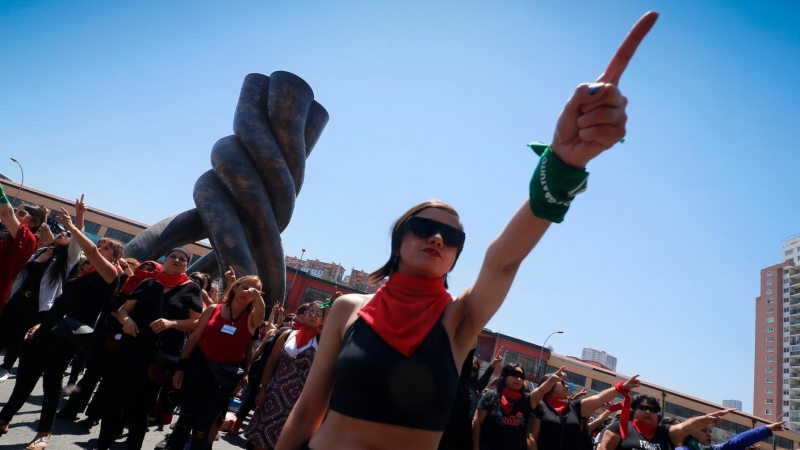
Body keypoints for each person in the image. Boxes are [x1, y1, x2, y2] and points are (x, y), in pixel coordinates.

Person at [275, 11, 657, 450]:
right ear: (399, 240)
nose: (437, 238)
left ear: (456, 255)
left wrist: (564, 165)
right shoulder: (347, 309)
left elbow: (505, 259)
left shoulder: (460, 318)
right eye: (424, 227)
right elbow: (308, 410)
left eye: (452, 237)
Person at [0, 207, 122, 450]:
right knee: (25, 377)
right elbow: (60, 301)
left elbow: (87, 248)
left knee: (52, 382)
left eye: (107, 247)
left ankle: (43, 433)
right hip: (48, 325)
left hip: (68, 334)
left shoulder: (110, 275)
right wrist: (40, 324)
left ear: (116, 257)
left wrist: (75, 225)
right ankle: (3, 419)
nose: (101, 248)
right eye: (102, 244)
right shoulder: (80, 270)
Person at [95, 247, 203, 450]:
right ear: (166, 259)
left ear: (186, 265)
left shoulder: (191, 289)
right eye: (173, 257)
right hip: (129, 350)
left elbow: (197, 321)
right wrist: (126, 321)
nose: (177, 260)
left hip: (156, 359)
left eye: (182, 259)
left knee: (139, 408)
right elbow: (124, 309)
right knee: (113, 402)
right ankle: (102, 445)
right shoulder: (149, 282)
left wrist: (172, 324)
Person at [164, 274, 265, 450]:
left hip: (223, 380)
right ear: (235, 287)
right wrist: (181, 367)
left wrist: (258, 298)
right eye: (244, 287)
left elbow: (261, 314)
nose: (248, 292)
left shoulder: (250, 318)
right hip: (198, 370)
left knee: (202, 428)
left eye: (253, 290)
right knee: (183, 421)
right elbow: (194, 338)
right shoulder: (213, 309)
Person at [0, 202, 82, 382]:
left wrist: (76, 220)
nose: (63, 233)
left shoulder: (67, 260)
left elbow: (77, 240)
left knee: (18, 335)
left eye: (67, 235)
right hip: (19, 296)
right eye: (62, 231)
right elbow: (41, 230)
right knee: (3, 327)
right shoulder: (43, 250)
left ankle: (6, 366)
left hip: (36, 304)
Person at [245, 301, 325, 450]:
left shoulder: (322, 342)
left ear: (323, 319)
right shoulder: (288, 334)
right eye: (310, 312)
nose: (313, 316)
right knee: (261, 441)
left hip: (298, 403)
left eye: (318, 314)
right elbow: (271, 363)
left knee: (285, 443)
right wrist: (262, 388)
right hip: (273, 396)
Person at [529, 372, 641, 450]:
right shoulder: (540, 406)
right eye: (562, 383)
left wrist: (623, 387)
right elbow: (531, 438)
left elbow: (600, 398)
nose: (567, 386)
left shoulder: (574, 407)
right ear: (549, 385)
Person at [598, 394, 735, 450]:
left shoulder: (665, 432)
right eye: (643, 408)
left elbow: (685, 428)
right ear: (634, 410)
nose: (648, 412)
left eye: (652, 410)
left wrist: (707, 418)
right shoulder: (620, 428)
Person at [439, 348, 502, 450]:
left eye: (474, 370)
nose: (471, 372)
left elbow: (483, 380)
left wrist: (493, 365)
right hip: (449, 425)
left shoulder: (475, 386)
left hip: (466, 428)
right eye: (469, 368)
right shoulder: (454, 382)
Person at [0, 189, 46, 312]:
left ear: (35, 223)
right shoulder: (6, 232)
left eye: (21, 213)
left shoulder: (28, 238)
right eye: (15, 211)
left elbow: (6, 213)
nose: (15, 215)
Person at [675, 420, 787, 450]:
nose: (709, 434)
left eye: (710, 431)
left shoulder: (714, 449)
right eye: (704, 431)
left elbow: (738, 441)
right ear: (691, 432)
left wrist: (766, 429)